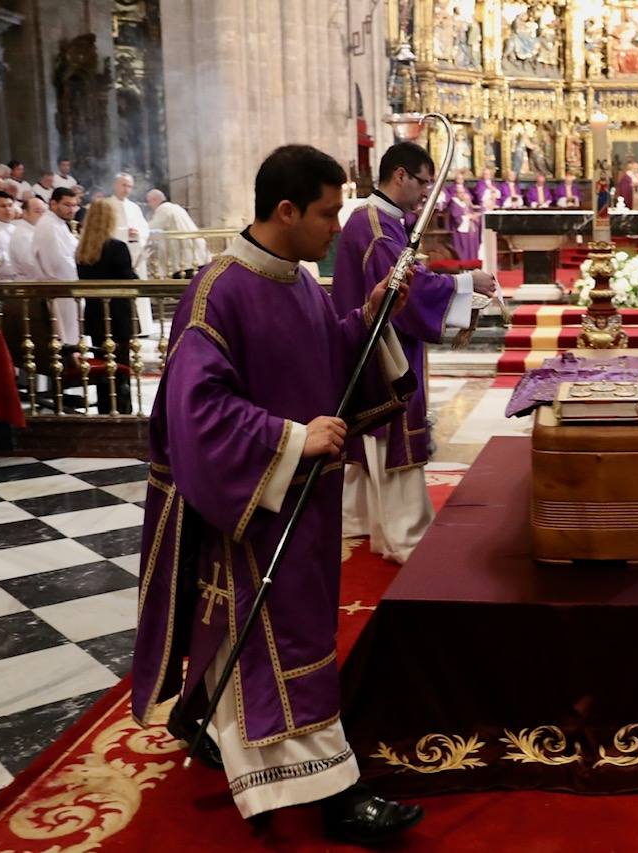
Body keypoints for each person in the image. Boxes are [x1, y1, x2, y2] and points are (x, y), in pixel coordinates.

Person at [131, 143, 423, 844]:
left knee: (295, 632)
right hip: (257, 510)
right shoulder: (217, 292)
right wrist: (292, 439)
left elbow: (329, 356)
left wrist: (373, 314)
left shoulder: (295, 280)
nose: (337, 227)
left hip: (305, 501)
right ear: (285, 210)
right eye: (326, 212)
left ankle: (201, 712)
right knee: (281, 642)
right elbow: (195, 414)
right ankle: (336, 792)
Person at [332, 141, 495, 564]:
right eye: (423, 182)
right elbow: (404, 287)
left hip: (370, 344)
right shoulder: (374, 224)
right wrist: (466, 283)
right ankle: (404, 536)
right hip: (384, 348)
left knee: (369, 434)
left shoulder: (377, 220)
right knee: (392, 431)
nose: (428, 192)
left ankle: (361, 518)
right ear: (400, 175)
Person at [75, 198, 137, 413]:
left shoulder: (82, 251)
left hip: (94, 314)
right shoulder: (117, 248)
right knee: (120, 366)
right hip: (117, 315)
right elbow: (128, 282)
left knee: (103, 365)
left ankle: (105, 407)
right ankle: (122, 409)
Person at [30, 186, 81, 344]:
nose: (71, 209)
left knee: (72, 333)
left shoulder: (58, 223)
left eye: (74, 205)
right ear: (53, 204)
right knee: (66, 337)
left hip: (67, 287)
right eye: (67, 205)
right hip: (60, 287)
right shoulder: (49, 226)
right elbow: (56, 261)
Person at [110, 173, 154, 332]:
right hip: (116, 256)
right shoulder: (107, 205)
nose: (127, 189)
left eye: (129, 186)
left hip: (136, 253)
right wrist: (124, 233)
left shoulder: (134, 207)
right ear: (115, 185)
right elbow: (106, 230)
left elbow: (144, 228)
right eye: (123, 185)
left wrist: (138, 234)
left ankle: (143, 326)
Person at [146, 188, 208, 277]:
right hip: (197, 255)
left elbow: (151, 229)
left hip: (186, 260)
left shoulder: (163, 209)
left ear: (155, 199)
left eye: (149, 202)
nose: (149, 205)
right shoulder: (176, 207)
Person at [8, 197, 47, 280]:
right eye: (37, 211)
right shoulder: (23, 235)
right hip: (30, 284)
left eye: (43, 211)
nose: (42, 215)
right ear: (25, 213)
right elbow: (30, 265)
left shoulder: (35, 229)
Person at [448, 184, 481, 261]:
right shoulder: (454, 203)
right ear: (456, 194)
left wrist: (474, 216)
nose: (463, 194)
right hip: (460, 230)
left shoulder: (465, 202)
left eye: (463, 192)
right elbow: (456, 218)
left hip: (470, 228)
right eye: (460, 193)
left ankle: (473, 263)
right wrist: (469, 217)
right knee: (463, 249)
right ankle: (464, 264)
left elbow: (471, 212)